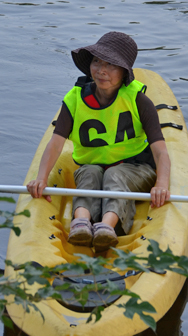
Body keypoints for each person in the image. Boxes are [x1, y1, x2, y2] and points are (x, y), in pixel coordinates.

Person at [26, 31, 171, 252]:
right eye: (96, 62)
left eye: (111, 65)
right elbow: (55, 143)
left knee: (114, 175)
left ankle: (107, 226)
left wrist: (161, 185)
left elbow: (160, 151)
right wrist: (41, 179)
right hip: (91, 166)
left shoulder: (139, 100)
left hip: (137, 167)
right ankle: (82, 223)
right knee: (90, 173)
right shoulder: (75, 99)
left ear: (124, 72)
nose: (101, 70)